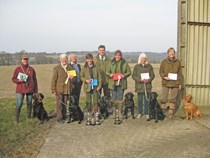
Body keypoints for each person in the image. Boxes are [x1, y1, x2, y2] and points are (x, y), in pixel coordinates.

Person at [106, 50, 131, 124]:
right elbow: (107, 71)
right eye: (116, 55)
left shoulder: (124, 63)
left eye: (119, 55)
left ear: (121, 56)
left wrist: (124, 75)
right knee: (113, 99)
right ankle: (114, 113)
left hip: (121, 83)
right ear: (114, 56)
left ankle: (120, 112)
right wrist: (110, 75)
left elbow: (129, 72)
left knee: (120, 99)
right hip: (112, 83)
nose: (118, 56)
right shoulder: (111, 63)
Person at [12, 54, 38, 124]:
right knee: (19, 104)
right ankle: (16, 119)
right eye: (24, 59)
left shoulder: (31, 69)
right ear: (21, 60)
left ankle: (28, 117)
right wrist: (18, 81)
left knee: (29, 103)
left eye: (26, 59)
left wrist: (36, 90)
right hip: (20, 89)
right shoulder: (18, 69)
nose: (25, 60)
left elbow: (35, 80)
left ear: (28, 60)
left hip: (30, 89)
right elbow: (13, 79)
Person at [159, 47, 183, 119]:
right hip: (166, 82)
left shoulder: (178, 62)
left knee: (173, 99)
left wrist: (180, 83)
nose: (171, 54)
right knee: (164, 98)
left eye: (173, 53)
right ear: (168, 53)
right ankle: (162, 111)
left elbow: (180, 74)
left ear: (174, 53)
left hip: (175, 83)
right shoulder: (164, 62)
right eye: (170, 53)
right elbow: (160, 71)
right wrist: (164, 76)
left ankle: (170, 112)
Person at [51, 54, 75, 124]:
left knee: (64, 104)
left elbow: (74, 79)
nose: (64, 60)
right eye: (62, 59)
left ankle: (64, 116)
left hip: (67, 89)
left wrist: (72, 78)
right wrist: (53, 89)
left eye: (65, 59)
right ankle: (59, 118)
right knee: (59, 104)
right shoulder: (57, 68)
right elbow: (54, 80)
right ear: (60, 60)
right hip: (59, 89)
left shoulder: (70, 68)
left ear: (67, 60)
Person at [132, 53, 155, 119]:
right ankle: (140, 112)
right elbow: (133, 76)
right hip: (139, 85)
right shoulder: (136, 66)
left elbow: (152, 75)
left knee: (146, 100)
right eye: (142, 58)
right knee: (139, 100)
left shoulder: (149, 66)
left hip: (147, 86)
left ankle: (146, 113)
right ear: (140, 59)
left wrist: (148, 80)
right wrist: (140, 80)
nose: (143, 60)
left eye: (145, 58)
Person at [80, 53, 101, 125]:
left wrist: (99, 86)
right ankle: (89, 117)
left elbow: (99, 77)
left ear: (92, 59)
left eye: (90, 59)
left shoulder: (96, 67)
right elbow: (81, 76)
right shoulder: (84, 67)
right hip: (88, 87)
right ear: (86, 60)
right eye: (88, 59)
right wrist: (85, 80)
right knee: (88, 102)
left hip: (95, 87)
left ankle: (96, 117)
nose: (89, 60)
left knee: (96, 102)